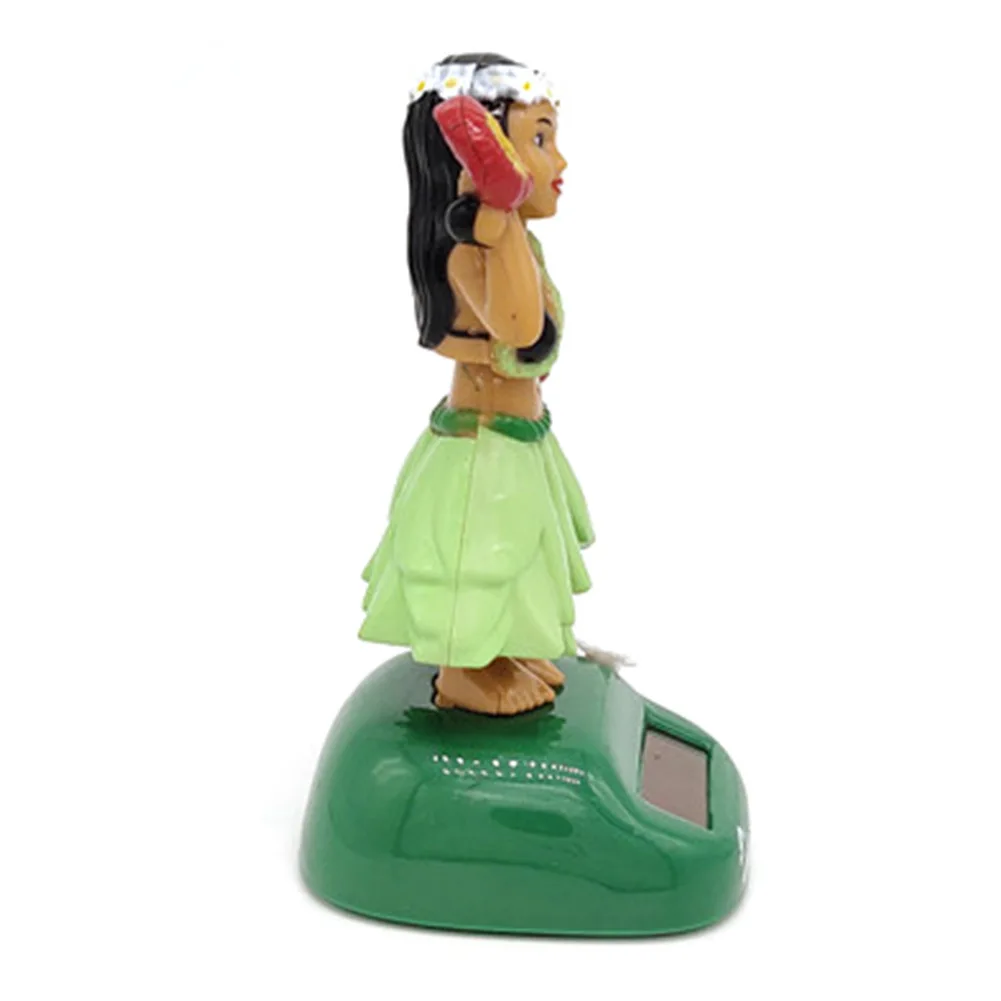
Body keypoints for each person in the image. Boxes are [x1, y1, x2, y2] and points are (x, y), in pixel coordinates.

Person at [360, 53, 594, 715]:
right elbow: (520, 330)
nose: (560, 160)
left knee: (515, 551)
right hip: (483, 444)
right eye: (539, 139)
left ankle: (499, 651)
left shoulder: (510, 241)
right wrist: (495, 211)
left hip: (517, 432)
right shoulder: (474, 252)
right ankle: (465, 672)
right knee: (477, 556)